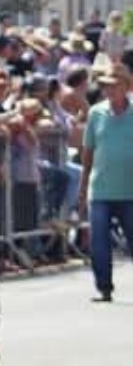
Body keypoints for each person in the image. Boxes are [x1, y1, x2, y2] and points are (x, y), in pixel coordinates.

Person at [79, 55, 133, 303]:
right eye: (107, 85)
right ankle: (104, 287)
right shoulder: (96, 114)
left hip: (129, 190)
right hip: (100, 189)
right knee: (99, 242)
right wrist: (82, 187)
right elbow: (88, 152)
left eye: (115, 84)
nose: (110, 89)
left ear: (126, 86)